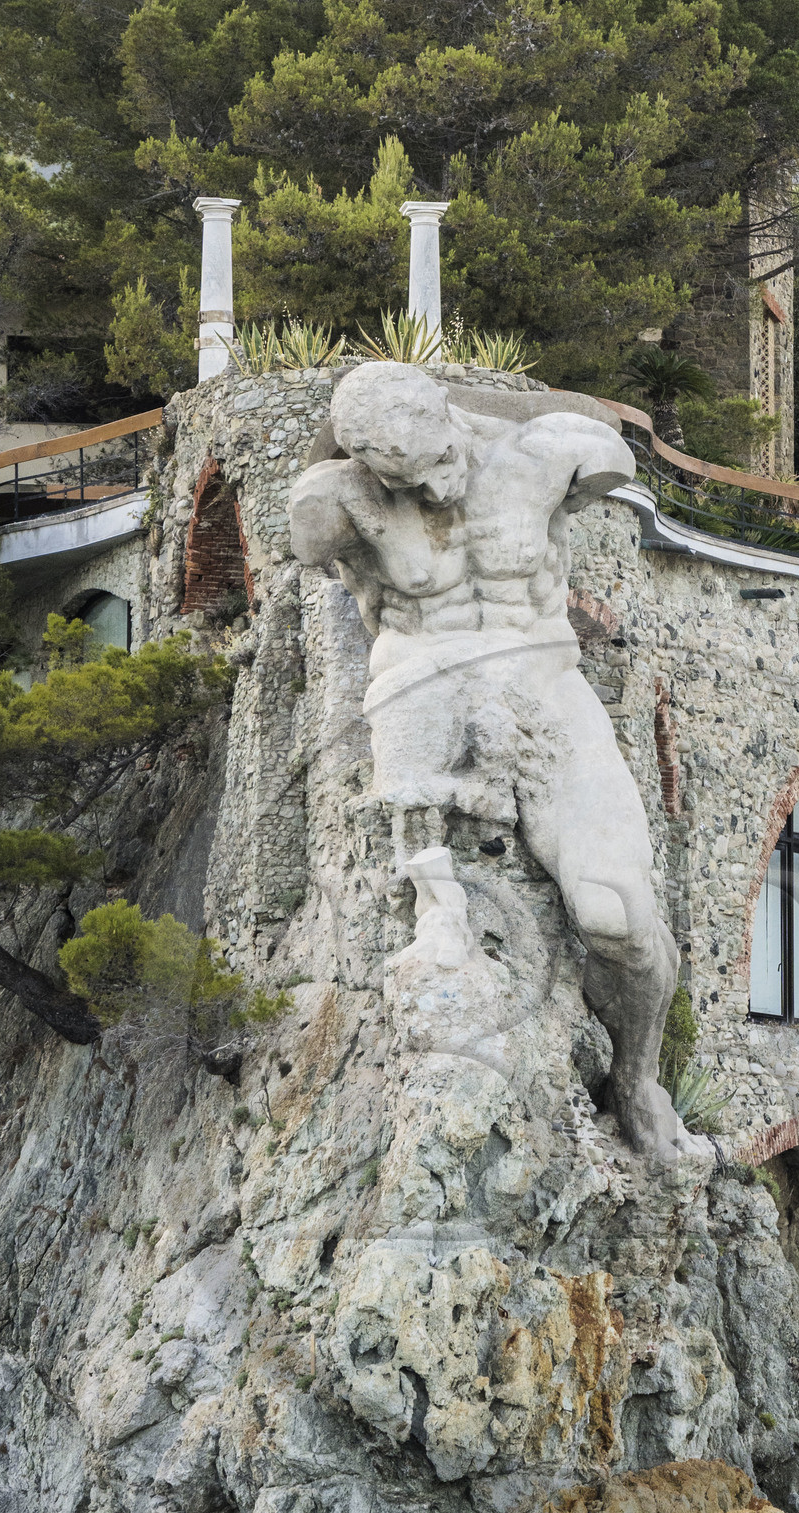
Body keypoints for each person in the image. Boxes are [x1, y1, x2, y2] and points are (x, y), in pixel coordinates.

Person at [288, 361, 687, 1165]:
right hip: (422, 683)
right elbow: (303, 533)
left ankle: (639, 1077)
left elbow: (612, 449)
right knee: (408, 732)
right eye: (408, 477)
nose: (435, 490)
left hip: (541, 679)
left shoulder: (544, 450)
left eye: (439, 459)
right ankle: (438, 907)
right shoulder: (341, 497)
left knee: (618, 917)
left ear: (449, 412)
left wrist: (477, 411)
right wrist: (350, 453)